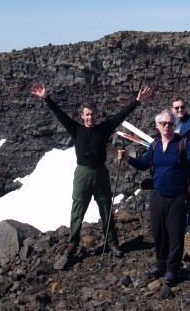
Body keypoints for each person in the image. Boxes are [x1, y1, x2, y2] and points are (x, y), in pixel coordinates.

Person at [31, 83, 152, 259]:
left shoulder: (104, 129)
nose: (90, 117)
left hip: (101, 173)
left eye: (93, 114)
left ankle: (112, 243)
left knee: (106, 208)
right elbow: (60, 115)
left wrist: (137, 101)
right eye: (87, 115)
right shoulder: (76, 129)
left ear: (96, 115)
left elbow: (119, 116)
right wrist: (46, 98)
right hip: (82, 174)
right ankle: (72, 244)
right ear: (82, 116)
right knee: (77, 208)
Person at [117, 109, 190, 285]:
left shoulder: (184, 143)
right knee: (157, 232)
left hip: (178, 197)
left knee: (175, 235)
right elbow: (144, 164)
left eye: (170, 123)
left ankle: (172, 269)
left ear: (174, 125)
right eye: (163, 123)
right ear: (157, 125)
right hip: (158, 195)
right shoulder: (154, 145)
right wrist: (128, 159)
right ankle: (161, 264)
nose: (167, 126)